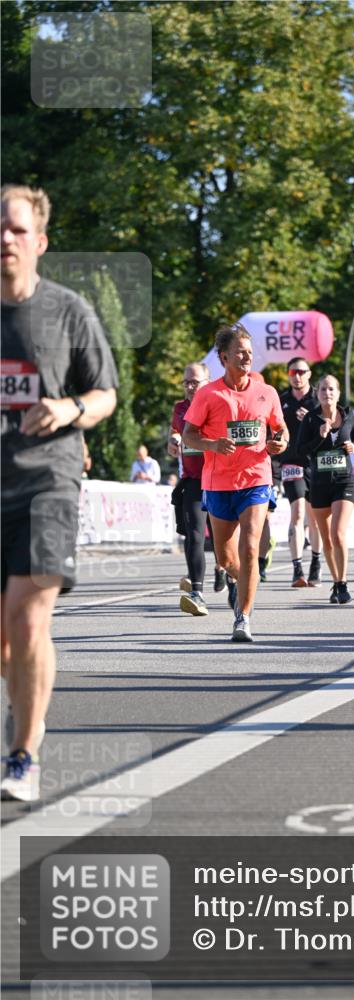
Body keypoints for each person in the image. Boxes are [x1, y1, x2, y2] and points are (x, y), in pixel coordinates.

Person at [1, 184, 117, 800]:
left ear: (39, 242)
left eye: (17, 229)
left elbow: (105, 395)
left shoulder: (69, 311)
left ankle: (23, 755)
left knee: (28, 619)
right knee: (5, 640)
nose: (5, 238)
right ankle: (27, 705)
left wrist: (69, 408)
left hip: (48, 481)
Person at [182, 323, 288, 642]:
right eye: (240, 352)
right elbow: (189, 435)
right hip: (218, 483)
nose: (247, 357)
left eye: (250, 352)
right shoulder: (208, 394)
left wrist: (280, 442)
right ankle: (245, 582)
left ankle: (243, 617)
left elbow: (281, 428)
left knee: (251, 547)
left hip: (256, 478)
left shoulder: (266, 392)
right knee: (227, 559)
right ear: (224, 357)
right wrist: (213, 445)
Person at [296, 375, 354, 604]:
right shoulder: (311, 419)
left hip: (344, 481)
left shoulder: (348, 415)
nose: (327, 393)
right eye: (323, 389)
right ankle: (336, 581)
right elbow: (300, 449)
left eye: (331, 389)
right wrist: (320, 436)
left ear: (338, 393)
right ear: (318, 393)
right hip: (319, 484)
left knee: (338, 533)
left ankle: (343, 583)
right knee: (327, 539)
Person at [168, 362, 226, 616]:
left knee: (222, 538)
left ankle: (224, 570)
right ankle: (197, 593)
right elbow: (174, 433)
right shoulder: (180, 408)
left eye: (195, 382)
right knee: (194, 535)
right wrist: (173, 440)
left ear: (207, 382)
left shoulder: (218, 404)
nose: (190, 387)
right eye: (186, 382)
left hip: (219, 479)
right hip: (193, 480)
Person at [277, 357, 322, 587]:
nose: (297, 376)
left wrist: (311, 419)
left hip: (315, 464)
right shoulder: (281, 400)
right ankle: (297, 569)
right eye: (293, 372)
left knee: (314, 518)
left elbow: (329, 429)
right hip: (291, 463)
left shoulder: (317, 399)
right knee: (297, 513)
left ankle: (315, 562)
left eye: (302, 372)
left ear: (309, 374)